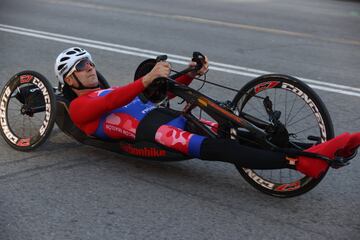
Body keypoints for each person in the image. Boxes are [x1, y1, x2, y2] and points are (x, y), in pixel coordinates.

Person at [55, 47, 360, 178]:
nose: (91, 67)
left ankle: (318, 151)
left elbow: (164, 92)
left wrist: (190, 72)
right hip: (155, 135)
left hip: (167, 117)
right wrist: (145, 79)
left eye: (90, 61)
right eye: (82, 65)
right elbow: (114, 101)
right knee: (220, 149)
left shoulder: (112, 90)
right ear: (70, 78)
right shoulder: (81, 106)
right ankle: (299, 162)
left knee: (238, 132)